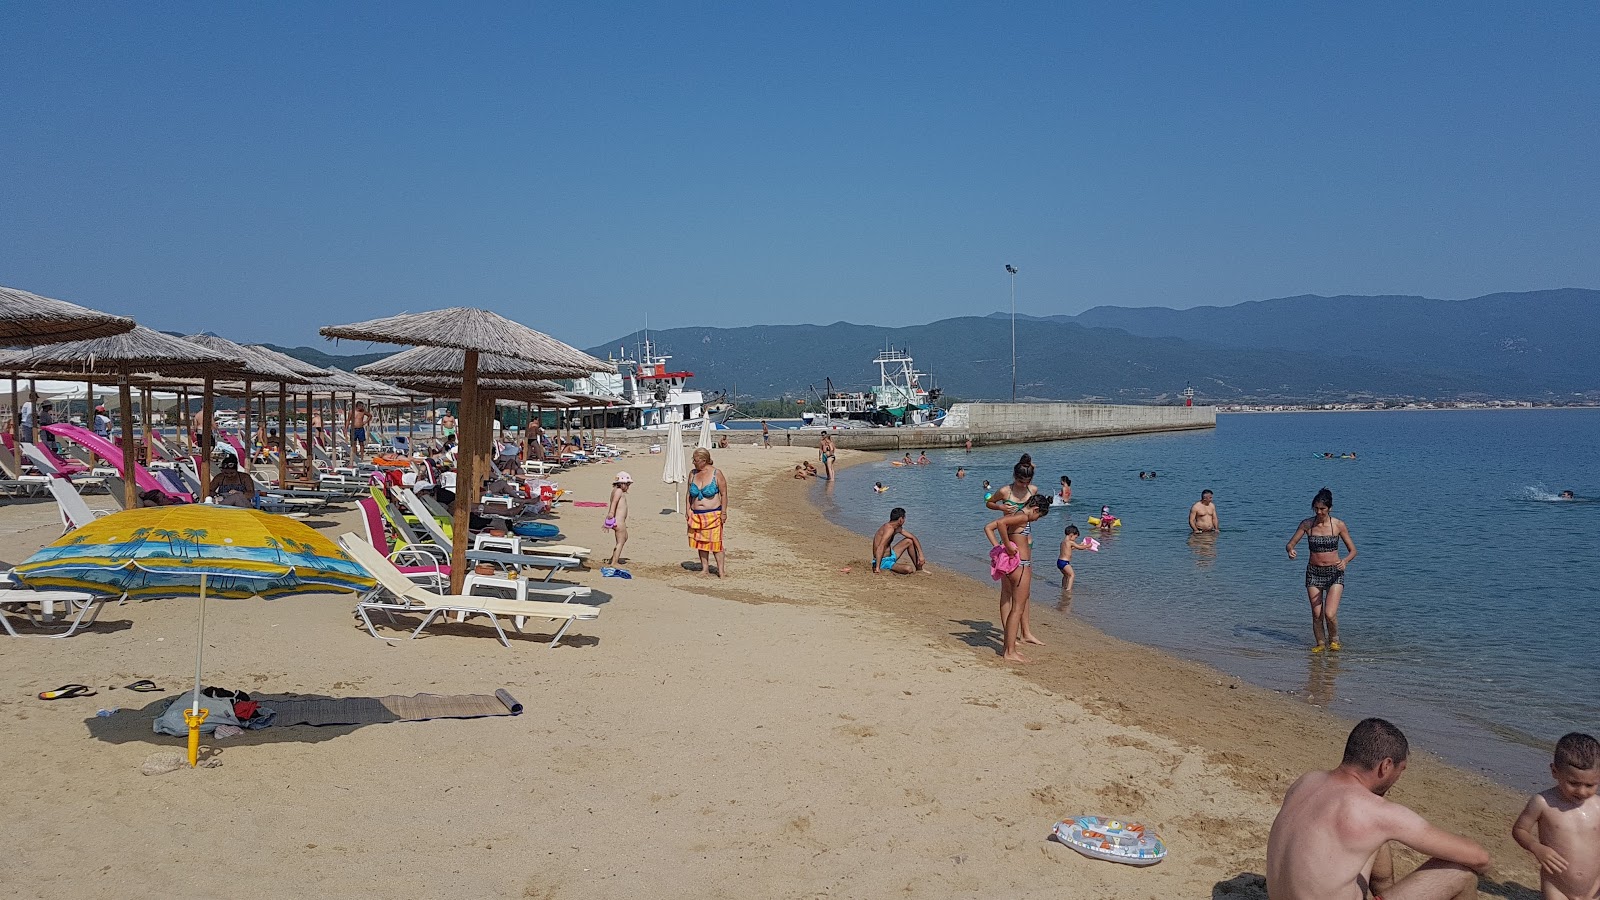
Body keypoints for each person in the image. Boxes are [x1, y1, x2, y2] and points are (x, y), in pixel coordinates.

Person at [1266, 718, 1488, 900]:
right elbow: (1479, 857)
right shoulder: (1374, 811)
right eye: (1400, 771)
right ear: (1386, 766)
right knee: (1461, 873)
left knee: (1372, 838)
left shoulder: (1306, 782)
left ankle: (1383, 893)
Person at [1512, 732, 1600, 900]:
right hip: (1557, 887)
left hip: (1594, 888)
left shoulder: (1598, 806)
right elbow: (1520, 829)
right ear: (1555, 771)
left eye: (1590, 785)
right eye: (1573, 783)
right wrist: (1536, 847)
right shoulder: (1543, 802)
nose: (1582, 791)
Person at [1286, 487, 1358, 652]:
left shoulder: (1338, 525)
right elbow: (1290, 543)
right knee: (1317, 614)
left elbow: (1353, 550)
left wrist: (1345, 561)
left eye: (1323, 509)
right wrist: (1290, 550)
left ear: (1330, 508)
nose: (1319, 512)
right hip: (1313, 573)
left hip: (1334, 574)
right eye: (1316, 509)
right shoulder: (1307, 524)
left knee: (1329, 614)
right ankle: (1320, 644)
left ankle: (1334, 640)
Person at [984, 493, 1053, 662]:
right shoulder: (1022, 517)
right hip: (1020, 566)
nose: (1036, 520)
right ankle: (1010, 651)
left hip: (1012, 566)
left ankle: (1009, 648)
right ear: (1035, 509)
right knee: (1017, 609)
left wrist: (1000, 546)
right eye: (1038, 516)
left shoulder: (1015, 514)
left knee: (1015, 606)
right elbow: (1000, 523)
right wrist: (1006, 545)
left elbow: (990, 527)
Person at [687, 448, 729, 578]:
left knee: (716, 543)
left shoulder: (717, 474)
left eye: (696, 460)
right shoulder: (693, 474)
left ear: (704, 461)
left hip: (713, 514)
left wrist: (723, 512)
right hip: (696, 514)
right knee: (701, 542)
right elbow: (689, 494)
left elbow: (724, 494)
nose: (693, 462)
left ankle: (721, 571)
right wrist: (687, 510)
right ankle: (705, 569)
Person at [871, 507, 927, 574]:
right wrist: (877, 568)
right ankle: (886, 568)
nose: (904, 520)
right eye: (904, 518)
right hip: (883, 561)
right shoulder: (889, 529)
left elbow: (913, 537)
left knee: (909, 541)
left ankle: (919, 569)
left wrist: (921, 555)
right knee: (909, 569)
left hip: (890, 555)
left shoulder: (896, 528)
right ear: (900, 519)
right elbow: (881, 546)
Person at [605, 472, 632, 567]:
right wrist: (611, 513)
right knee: (620, 541)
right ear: (622, 484)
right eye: (628, 484)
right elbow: (614, 502)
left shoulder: (616, 491)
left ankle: (614, 558)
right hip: (619, 521)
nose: (628, 487)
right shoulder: (618, 491)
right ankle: (614, 562)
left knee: (625, 538)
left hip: (619, 521)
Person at [1056, 524, 1092, 591]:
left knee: (1066, 575)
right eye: (1075, 537)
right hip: (1065, 562)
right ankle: (1068, 590)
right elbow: (1080, 548)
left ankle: (1063, 587)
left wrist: (1079, 545)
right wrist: (1088, 545)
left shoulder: (1063, 542)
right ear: (1071, 535)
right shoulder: (1070, 542)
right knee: (1072, 575)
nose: (1075, 539)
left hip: (1059, 562)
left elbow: (1070, 549)